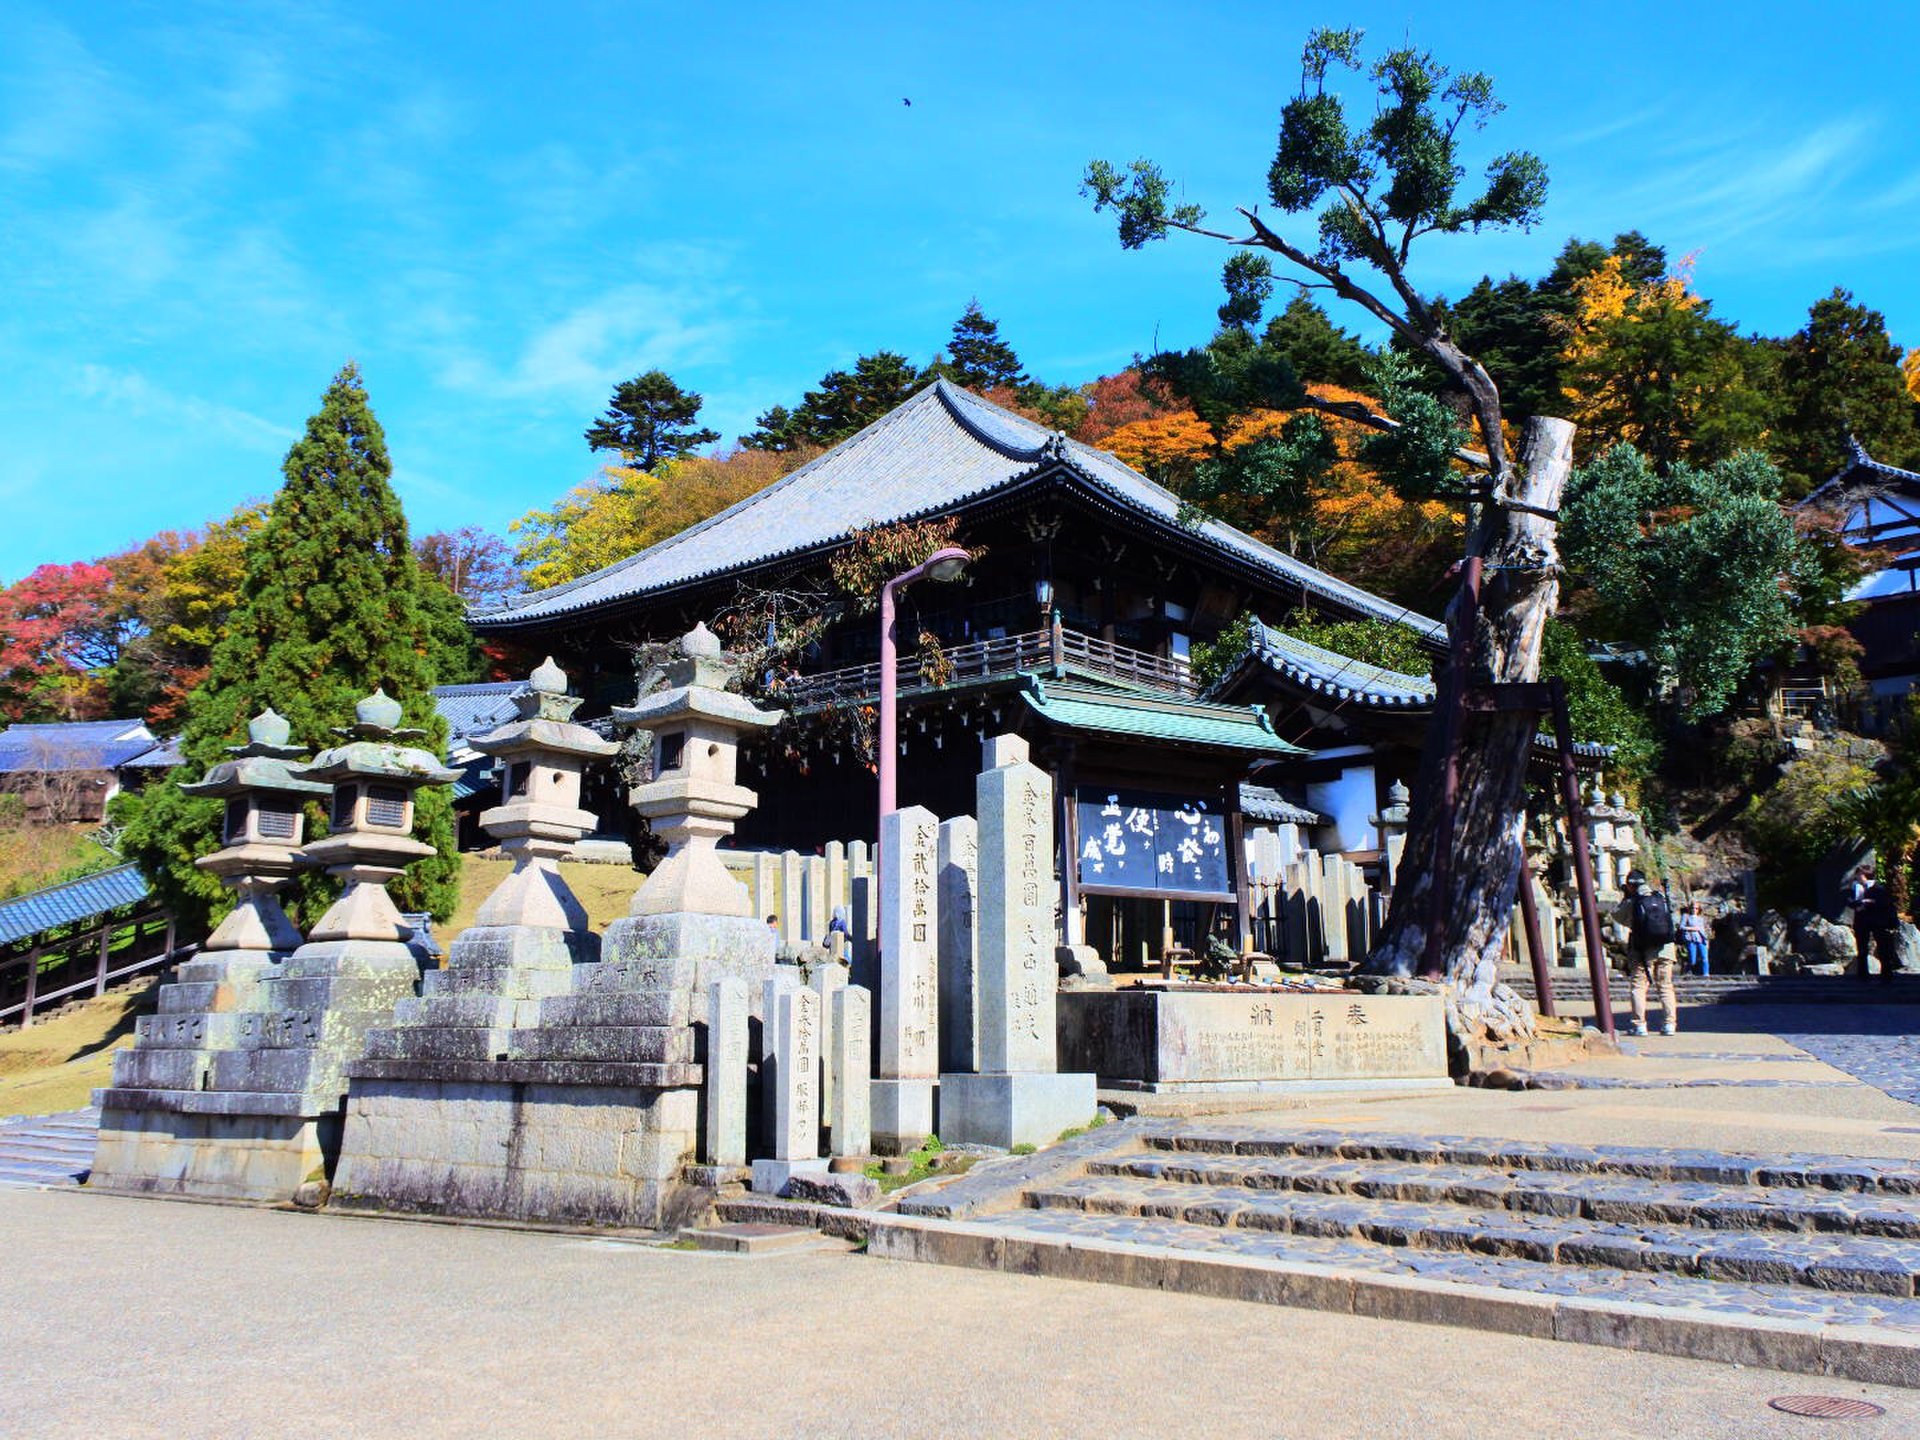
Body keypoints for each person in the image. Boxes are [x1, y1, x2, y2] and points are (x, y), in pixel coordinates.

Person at [1611, 871, 1677, 1036]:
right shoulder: (1660, 896)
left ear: (1630, 885)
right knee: (1666, 987)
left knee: (1639, 986)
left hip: (1641, 949)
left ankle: (1639, 1025)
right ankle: (1670, 1024)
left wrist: (1626, 898)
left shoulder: (1633, 901)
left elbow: (1617, 916)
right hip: (1666, 948)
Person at [1848, 864, 1900, 983]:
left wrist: (1869, 902)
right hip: (1861, 922)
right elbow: (1850, 901)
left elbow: (1885, 903)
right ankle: (1862, 974)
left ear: (1864, 875)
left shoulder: (1879, 888)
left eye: (1859, 874)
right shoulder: (1856, 888)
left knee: (1882, 947)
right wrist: (1857, 904)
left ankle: (1886, 974)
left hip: (1878, 922)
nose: (1856, 877)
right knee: (1862, 948)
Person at [1678, 901, 1712, 978]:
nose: (1694, 910)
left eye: (1696, 908)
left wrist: (1707, 941)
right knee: (1692, 959)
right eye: (1693, 908)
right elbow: (1681, 927)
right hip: (1691, 939)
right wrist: (1693, 928)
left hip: (1701, 939)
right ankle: (1688, 971)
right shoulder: (1686, 916)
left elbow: (1705, 930)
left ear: (1699, 909)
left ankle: (1706, 974)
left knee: (1704, 957)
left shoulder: (1701, 919)